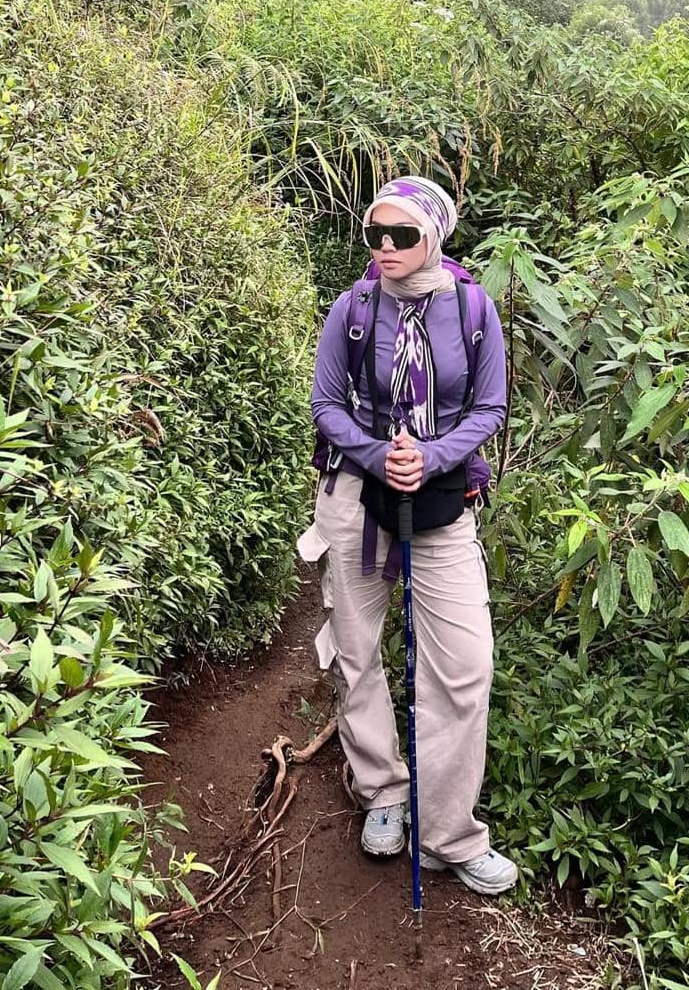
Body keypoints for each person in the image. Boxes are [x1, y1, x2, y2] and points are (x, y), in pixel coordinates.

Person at [296, 176, 518, 896]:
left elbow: (489, 406)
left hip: (442, 500)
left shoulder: (472, 309)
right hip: (355, 497)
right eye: (375, 235)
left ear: (435, 236)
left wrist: (432, 456)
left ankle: (448, 830)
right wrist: (374, 455)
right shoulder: (353, 308)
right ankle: (383, 793)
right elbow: (326, 403)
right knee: (357, 650)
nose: (385, 249)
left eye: (402, 235)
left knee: (463, 665)